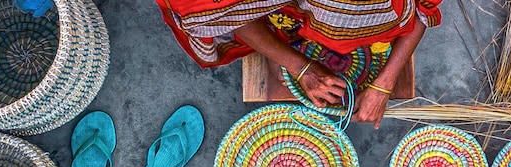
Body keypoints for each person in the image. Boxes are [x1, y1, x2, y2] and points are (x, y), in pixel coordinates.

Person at [158, 0, 440, 125]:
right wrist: (297, 65)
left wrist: (384, 82)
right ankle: (277, 37)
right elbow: (225, 14)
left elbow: (424, 9)